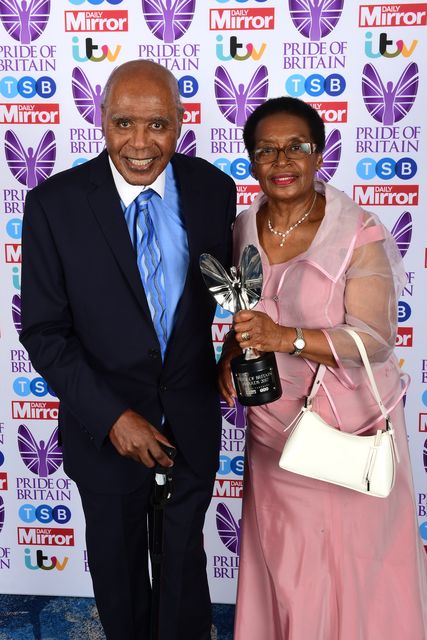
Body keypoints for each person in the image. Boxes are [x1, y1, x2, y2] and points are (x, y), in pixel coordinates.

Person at [20, 59, 236, 640]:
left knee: (185, 573)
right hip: (104, 429)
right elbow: (43, 330)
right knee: (119, 575)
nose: (140, 144)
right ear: (101, 120)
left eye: (158, 125)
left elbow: (230, 290)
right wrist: (113, 417)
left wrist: (240, 348)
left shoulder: (213, 189)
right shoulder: (54, 204)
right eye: (123, 123)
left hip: (190, 420)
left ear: (182, 122)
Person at [219, 96, 427, 640]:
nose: (282, 160)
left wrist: (284, 337)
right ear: (251, 160)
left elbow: (376, 339)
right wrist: (229, 353)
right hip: (274, 434)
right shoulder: (242, 226)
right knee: (289, 573)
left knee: (359, 569)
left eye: (296, 147)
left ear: (319, 154)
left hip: (351, 431)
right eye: (266, 150)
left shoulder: (357, 228)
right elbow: (245, 310)